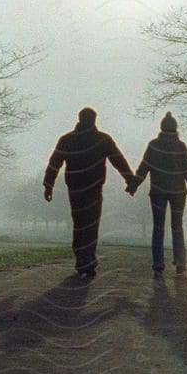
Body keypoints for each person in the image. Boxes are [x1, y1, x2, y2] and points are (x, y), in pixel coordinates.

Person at [43, 107, 135, 278]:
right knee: (91, 224)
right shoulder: (102, 139)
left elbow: (54, 163)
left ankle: (81, 259)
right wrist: (130, 179)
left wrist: (48, 185)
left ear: (80, 119)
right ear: (94, 119)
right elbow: (118, 159)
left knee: (79, 224)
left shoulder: (67, 139)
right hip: (94, 187)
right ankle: (88, 260)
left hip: (75, 187)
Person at [126, 111, 187, 275]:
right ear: (175, 128)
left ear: (161, 127)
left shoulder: (153, 145)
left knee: (158, 228)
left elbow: (143, 168)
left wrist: (133, 186)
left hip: (158, 192)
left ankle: (158, 265)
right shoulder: (181, 146)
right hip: (178, 193)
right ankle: (180, 263)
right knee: (177, 227)